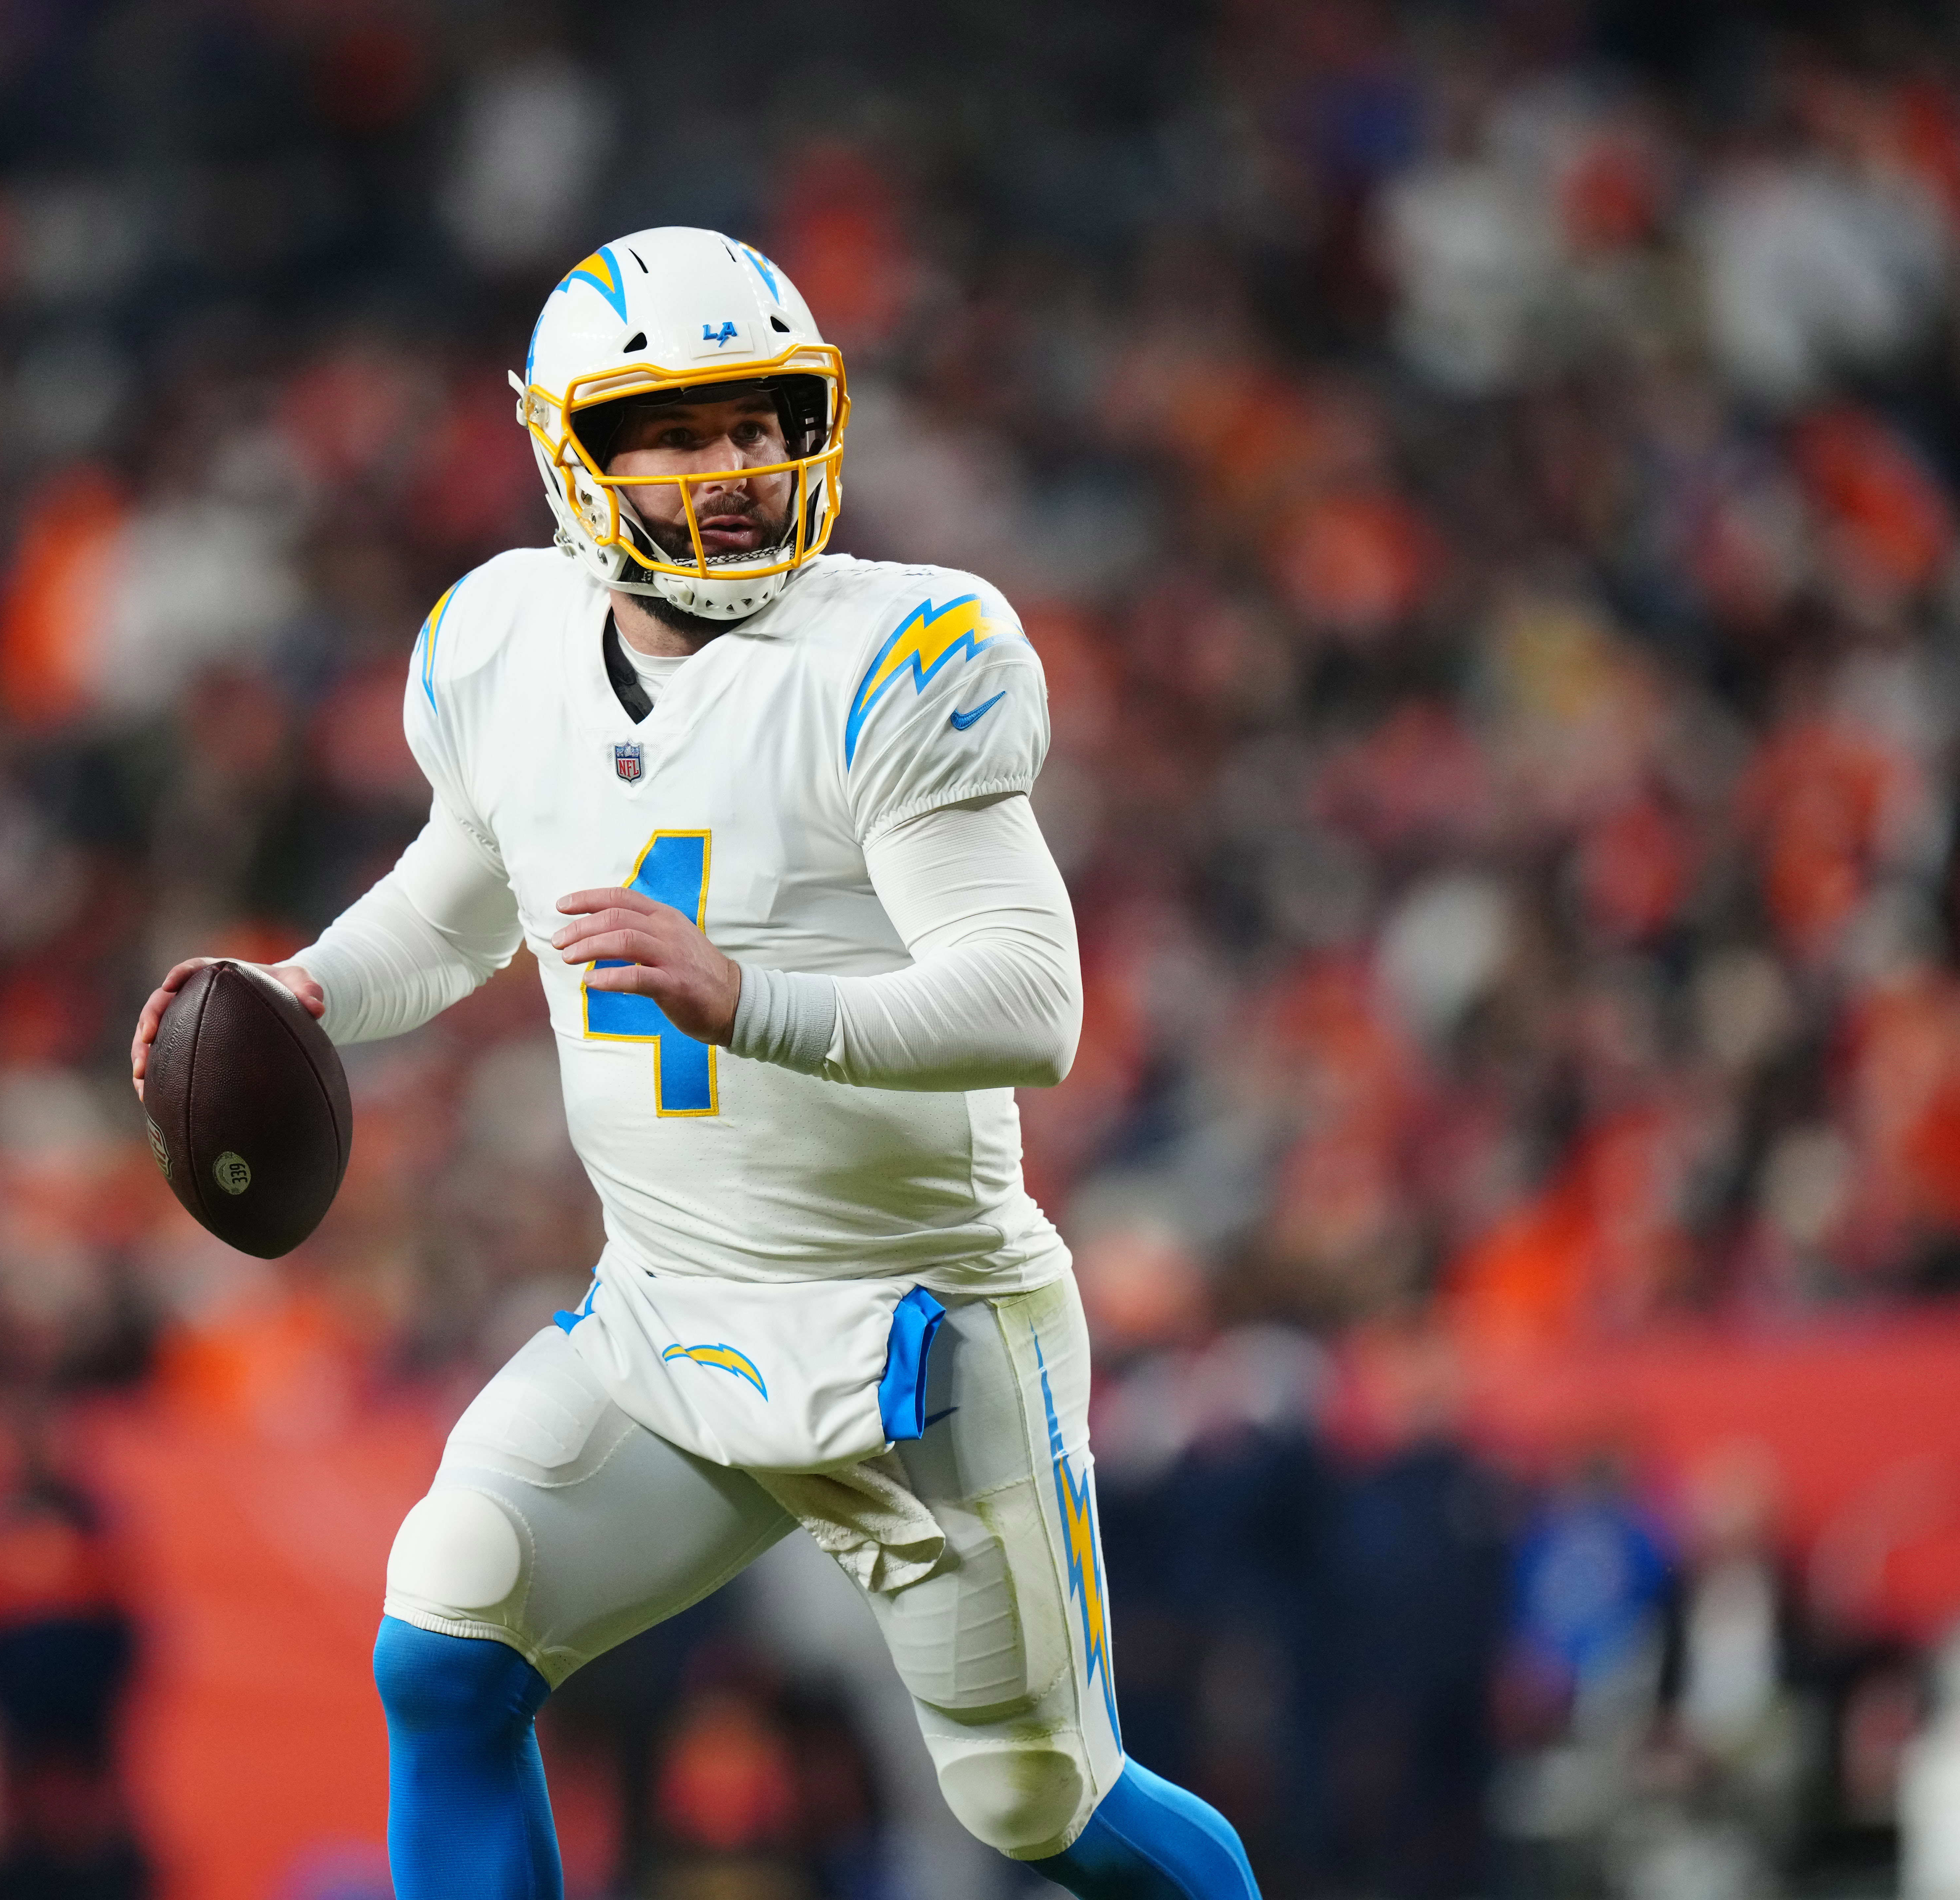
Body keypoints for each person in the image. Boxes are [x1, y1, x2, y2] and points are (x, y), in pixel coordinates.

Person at [131, 227, 1259, 1900]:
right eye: (679, 429)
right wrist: (295, 989)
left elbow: (1033, 1003)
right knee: (447, 1639)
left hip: (913, 1334)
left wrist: (754, 997)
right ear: (571, 449)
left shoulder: (897, 656)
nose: (734, 469)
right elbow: (457, 905)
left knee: (1046, 1810)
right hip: (665, 1312)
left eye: (759, 423)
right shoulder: (505, 643)